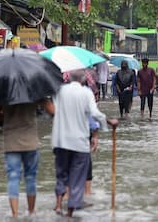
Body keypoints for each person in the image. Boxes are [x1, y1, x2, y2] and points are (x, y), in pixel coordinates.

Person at [45, 70, 118, 218]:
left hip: (61, 140)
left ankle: (59, 205)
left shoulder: (59, 90)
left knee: (61, 174)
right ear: (84, 79)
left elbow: (52, 111)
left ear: (69, 78)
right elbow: (95, 113)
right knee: (77, 177)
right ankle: (71, 212)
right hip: (79, 142)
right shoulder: (86, 93)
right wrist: (109, 122)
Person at [0, 102, 40, 218]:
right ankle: (31, 211)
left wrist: (7, 117)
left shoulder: (3, 92)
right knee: (31, 177)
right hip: (31, 141)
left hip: (11, 142)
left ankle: (15, 215)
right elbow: (50, 108)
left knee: (13, 177)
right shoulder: (33, 89)